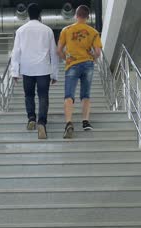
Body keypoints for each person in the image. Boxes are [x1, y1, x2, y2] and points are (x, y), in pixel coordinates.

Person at [11, 3, 59, 139]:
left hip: (27, 69)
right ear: (39, 15)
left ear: (28, 14)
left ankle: (31, 118)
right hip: (43, 69)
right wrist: (55, 73)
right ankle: (42, 123)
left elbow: (16, 53)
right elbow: (53, 53)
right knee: (43, 96)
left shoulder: (21, 30)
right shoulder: (47, 30)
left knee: (29, 95)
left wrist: (15, 72)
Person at [57, 5, 102, 139]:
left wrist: (67, 59)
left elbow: (58, 50)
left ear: (76, 15)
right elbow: (98, 52)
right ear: (88, 17)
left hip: (72, 64)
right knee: (86, 94)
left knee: (69, 95)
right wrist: (92, 58)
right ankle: (85, 122)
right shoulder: (93, 32)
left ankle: (69, 123)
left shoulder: (67, 30)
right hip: (88, 64)